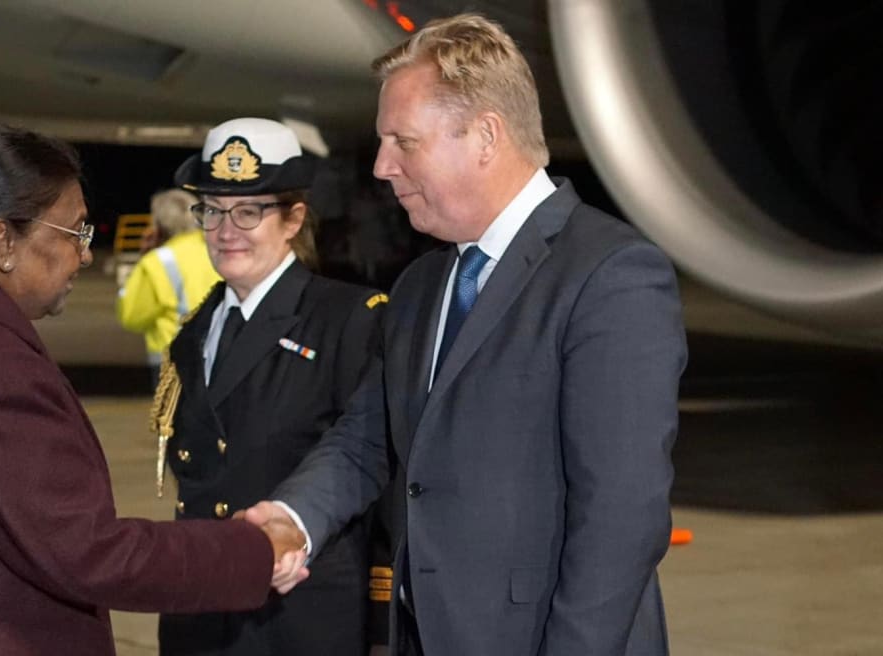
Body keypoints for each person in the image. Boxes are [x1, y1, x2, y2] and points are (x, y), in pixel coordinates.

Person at [247, 14, 688, 656]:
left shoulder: (610, 274)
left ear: (484, 136)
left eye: (403, 141)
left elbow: (621, 518)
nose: (380, 165)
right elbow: (371, 437)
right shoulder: (423, 285)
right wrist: (293, 518)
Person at [0, 124, 304, 656]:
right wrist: (252, 551)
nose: (84, 255)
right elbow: (87, 552)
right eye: (75, 232)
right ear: (3, 240)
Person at [155, 117, 390, 656]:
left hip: (299, 621)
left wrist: (382, 625)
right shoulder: (195, 329)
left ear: (293, 219)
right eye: (211, 210)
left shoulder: (348, 319)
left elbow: (371, 464)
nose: (225, 229)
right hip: (202, 615)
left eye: (249, 211)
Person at [117, 189, 221, 377]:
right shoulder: (219, 251)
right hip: (221, 356)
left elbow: (131, 317)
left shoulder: (157, 262)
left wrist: (142, 260)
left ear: (159, 225)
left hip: (174, 362)